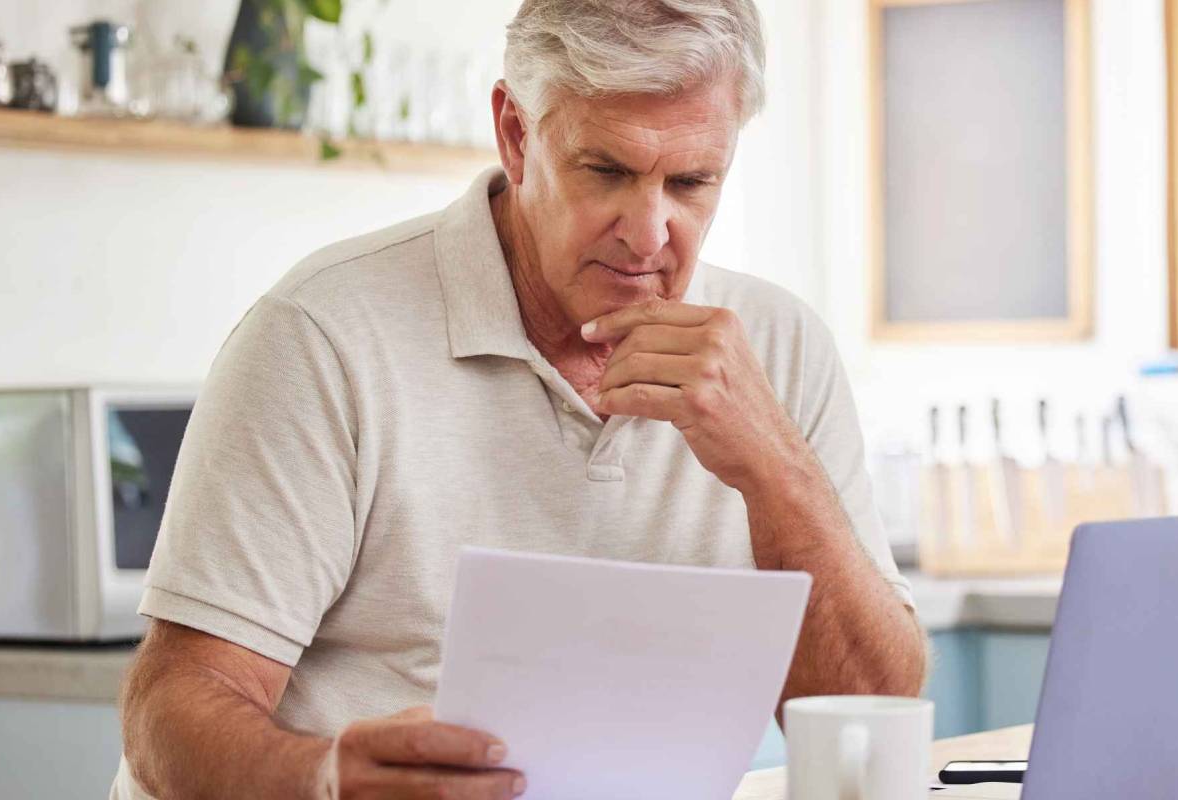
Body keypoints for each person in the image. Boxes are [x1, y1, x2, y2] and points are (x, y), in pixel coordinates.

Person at [113, 1, 927, 797]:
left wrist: (774, 467)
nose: (648, 234)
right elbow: (169, 708)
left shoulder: (779, 347)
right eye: (606, 170)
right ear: (516, 134)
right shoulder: (323, 334)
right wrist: (320, 780)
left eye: (691, 181)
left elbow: (876, 713)